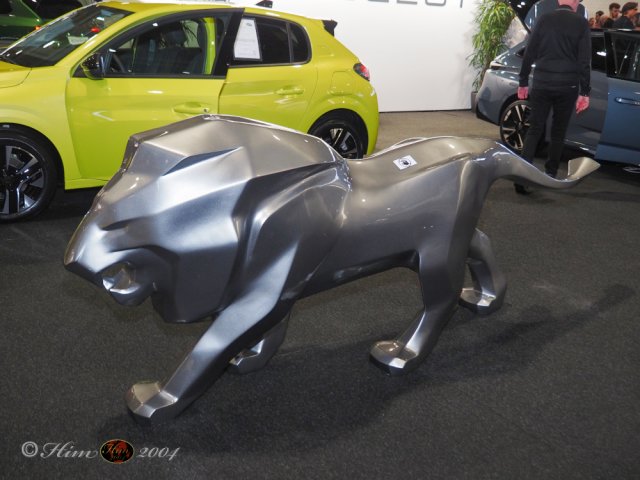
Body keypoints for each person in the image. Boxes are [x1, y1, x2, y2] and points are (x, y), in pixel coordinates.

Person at [514, 0, 591, 194]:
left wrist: (523, 81)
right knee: (558, 132)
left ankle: (521, 178)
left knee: (534, 129)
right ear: (572, 2)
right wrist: (585, 92)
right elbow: (584, 60)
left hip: (542, 82)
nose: (579, 4)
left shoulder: (544, 19)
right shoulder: (581, 23)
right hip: (568, 85)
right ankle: (550, 174)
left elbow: (529, 51)